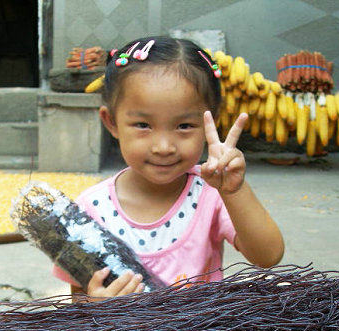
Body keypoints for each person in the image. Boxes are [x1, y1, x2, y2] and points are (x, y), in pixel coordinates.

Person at [53, 35, 284, 300]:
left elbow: (268, 256)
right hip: (120, 329)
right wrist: (95, 304)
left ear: (211, 122)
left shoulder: (212, 193)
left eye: (184, 126)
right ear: (111, 122)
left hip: (201, 328)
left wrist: (235, 191)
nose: (164, 147)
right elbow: (78, 298)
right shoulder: (90, 210)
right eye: (143, 125)